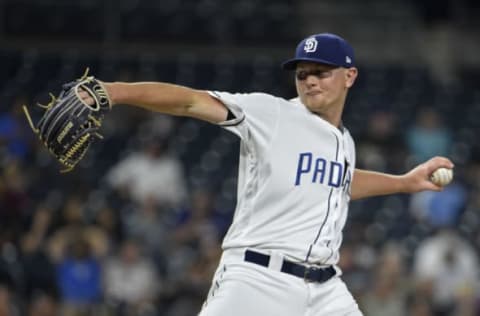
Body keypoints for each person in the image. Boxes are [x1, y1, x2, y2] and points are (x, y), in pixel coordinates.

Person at [79, 33, 454, 315]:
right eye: (302, 73)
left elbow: (340, 185)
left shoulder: (344, 140)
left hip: (325, 289)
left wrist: (404, 182)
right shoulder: (272, 114)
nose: (309, 81)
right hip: (257, 278)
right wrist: (114, 91)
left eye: (320, 72)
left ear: (349, 76)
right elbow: (191, 100)